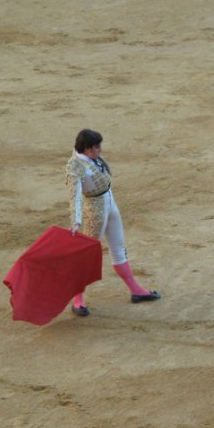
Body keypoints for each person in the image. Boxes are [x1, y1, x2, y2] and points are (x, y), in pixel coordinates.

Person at [65, 128, 160, 316]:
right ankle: (78, 300)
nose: (100, 149)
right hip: (95, 211)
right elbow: (74, 196)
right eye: (96, 147)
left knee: (118, 247)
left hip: (110, 203)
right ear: (86, 148)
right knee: (87, 255)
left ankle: (136, 290)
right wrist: (76, 220)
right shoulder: (75, 167)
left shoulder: (90, 157)